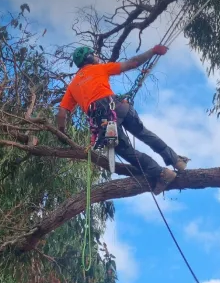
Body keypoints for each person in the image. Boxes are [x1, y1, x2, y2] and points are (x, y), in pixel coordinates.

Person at [56, 44, 189, 194]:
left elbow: (62, 113)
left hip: (104, 119)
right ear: (90, 57)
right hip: (120, 106)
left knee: (125, 150)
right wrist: (153, 51)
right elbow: (132, 63)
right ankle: (176, 160)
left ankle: (161, 173)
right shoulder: (100, 68)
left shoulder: (73, 85)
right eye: (94, 54)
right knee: (143, 133)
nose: (97, 56)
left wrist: (62, 132)